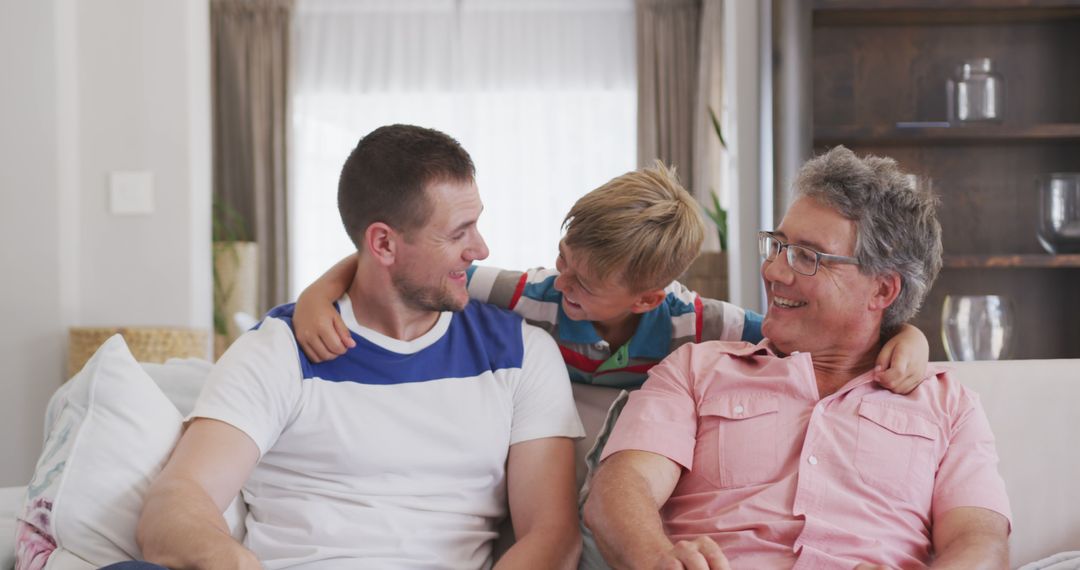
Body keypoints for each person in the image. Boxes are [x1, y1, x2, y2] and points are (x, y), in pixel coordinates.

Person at [134, 125, 586, 569]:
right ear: (384, 243)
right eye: (458, 233)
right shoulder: (282, 350)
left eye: (477, 225)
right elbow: (175, 501)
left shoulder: (520, 352)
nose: (481, 249)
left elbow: (553, 535)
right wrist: (227, 560)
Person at [582, 146, 1012, 569]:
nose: (774, 271)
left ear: (882, 290)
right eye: (778, 246)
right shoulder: (695, 370)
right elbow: (622, 487)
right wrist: (658, 560)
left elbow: (979, 542)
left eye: (807, 257)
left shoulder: (948, 406)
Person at [293, 162, 930, 395]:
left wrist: (907, 340)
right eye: (562, 260)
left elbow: (801, 333)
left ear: (649, 298)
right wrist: (320, 293)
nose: (562, 285)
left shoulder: (697, 322)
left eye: (584, 283)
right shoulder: (534, 293)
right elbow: (424, 265)